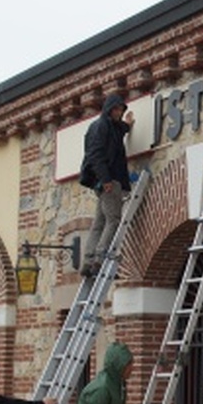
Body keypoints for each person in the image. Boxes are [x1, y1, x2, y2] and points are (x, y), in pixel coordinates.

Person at [79, 94, 135, 277]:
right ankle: (100, 258)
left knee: (99, 222)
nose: (119, 112)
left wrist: (127, 124)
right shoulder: (101, 127)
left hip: (103, 181)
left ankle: (88, 261)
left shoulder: (109, 126)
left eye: (121, 109)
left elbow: (119, 129)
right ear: (109, 109)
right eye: (116, 109)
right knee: (113, 219)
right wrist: (106, 180)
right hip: (110, 181)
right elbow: (96, 155)